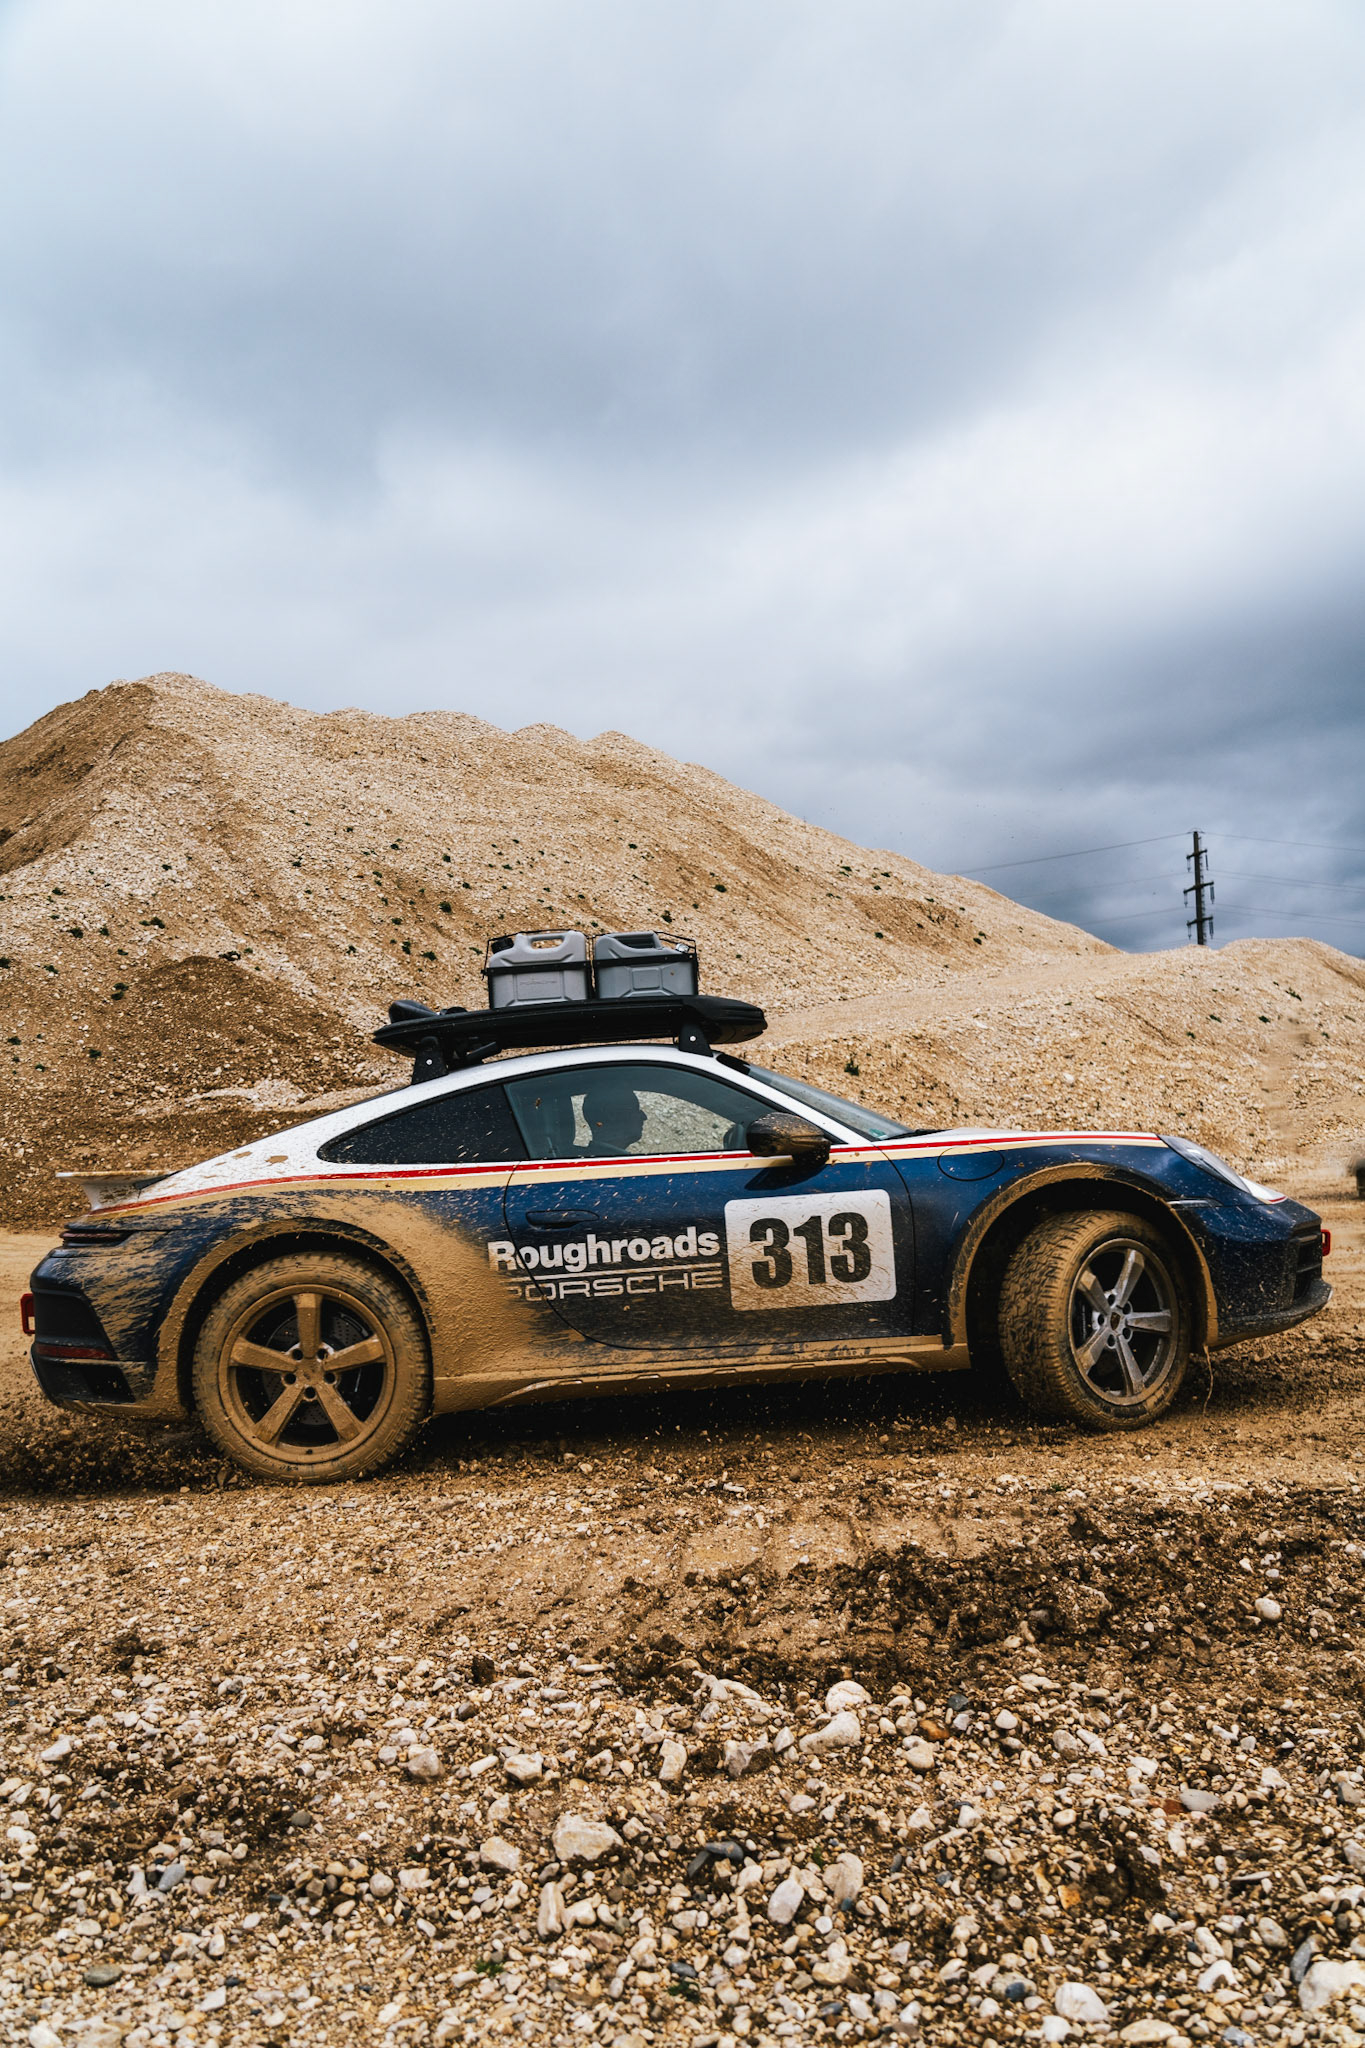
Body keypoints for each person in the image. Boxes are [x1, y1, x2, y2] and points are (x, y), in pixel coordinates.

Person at [579, 1084, 646, 1155]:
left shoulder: (590, 1158)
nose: (644, 1116)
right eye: (635, 1110)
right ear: (612, 1116)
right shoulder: (617, 1163)